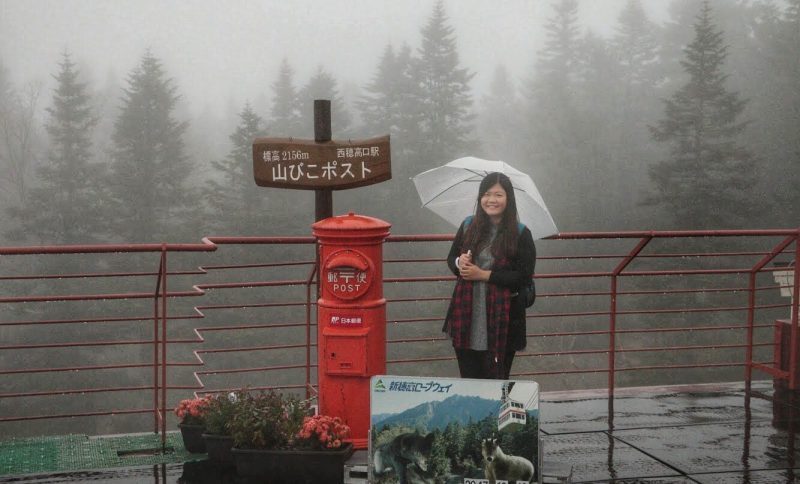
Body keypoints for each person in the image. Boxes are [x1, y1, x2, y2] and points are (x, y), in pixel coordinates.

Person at [442, 172, 536, 379]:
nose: (491, 200)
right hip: (467, 314)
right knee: (469, 378)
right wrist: (460, 263)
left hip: (504, 317)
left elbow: (523, 276)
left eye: (498, 195)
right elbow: (451, 258)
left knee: (497, 380)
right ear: (480, 198)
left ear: (508, 199)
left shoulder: (520, 233)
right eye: (486, 194)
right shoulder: (469, 226)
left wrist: (483, 274)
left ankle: (494, 413)